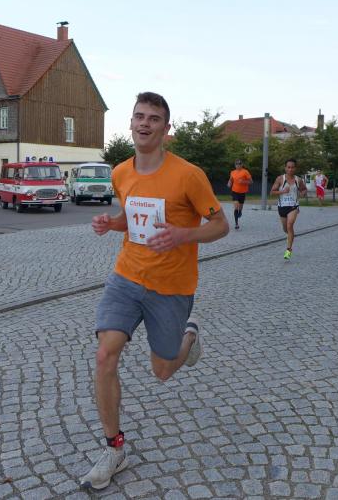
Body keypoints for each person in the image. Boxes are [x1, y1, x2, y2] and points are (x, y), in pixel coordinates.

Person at [81, 92, 229, 490]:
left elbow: (220, 225)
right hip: (126, 277)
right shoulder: (120, 172)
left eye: (154, 118)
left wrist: (184, 234)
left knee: (162, 371)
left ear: (166, 129)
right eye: (139, 116)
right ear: (131, 123)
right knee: (105, 354)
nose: (144, 123)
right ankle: (114, 449)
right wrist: (111, 223)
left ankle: (189, 334)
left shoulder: (188, 175)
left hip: (172, 287)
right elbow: (132, 216)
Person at [270, 158, 307, 260]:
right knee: (285, 229)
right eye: (288, 167)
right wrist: (282, 191)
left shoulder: (298, 180)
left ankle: (288, 250)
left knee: (290, 225)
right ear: (285, 168)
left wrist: (303, 193)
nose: (290, 169)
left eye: (292, 167)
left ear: (295, 168)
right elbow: (272, 192)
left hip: (293, 206)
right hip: (282, 207)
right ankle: (291, 236)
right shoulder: (280, 179)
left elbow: (304, 189)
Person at [227, 159, 253, 230]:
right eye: (237, 164)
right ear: (235, 165)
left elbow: (251, 182)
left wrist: (243, 182)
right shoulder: (232, 172)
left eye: (239, 164)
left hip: (242, 192)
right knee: (236, 206)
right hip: (234, 191)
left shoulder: (245, 172)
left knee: (240, 207)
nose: (238, 165)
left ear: (242, 165)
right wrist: (229, 183)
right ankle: (236, 224)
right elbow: (231, 179)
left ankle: (240, 211)